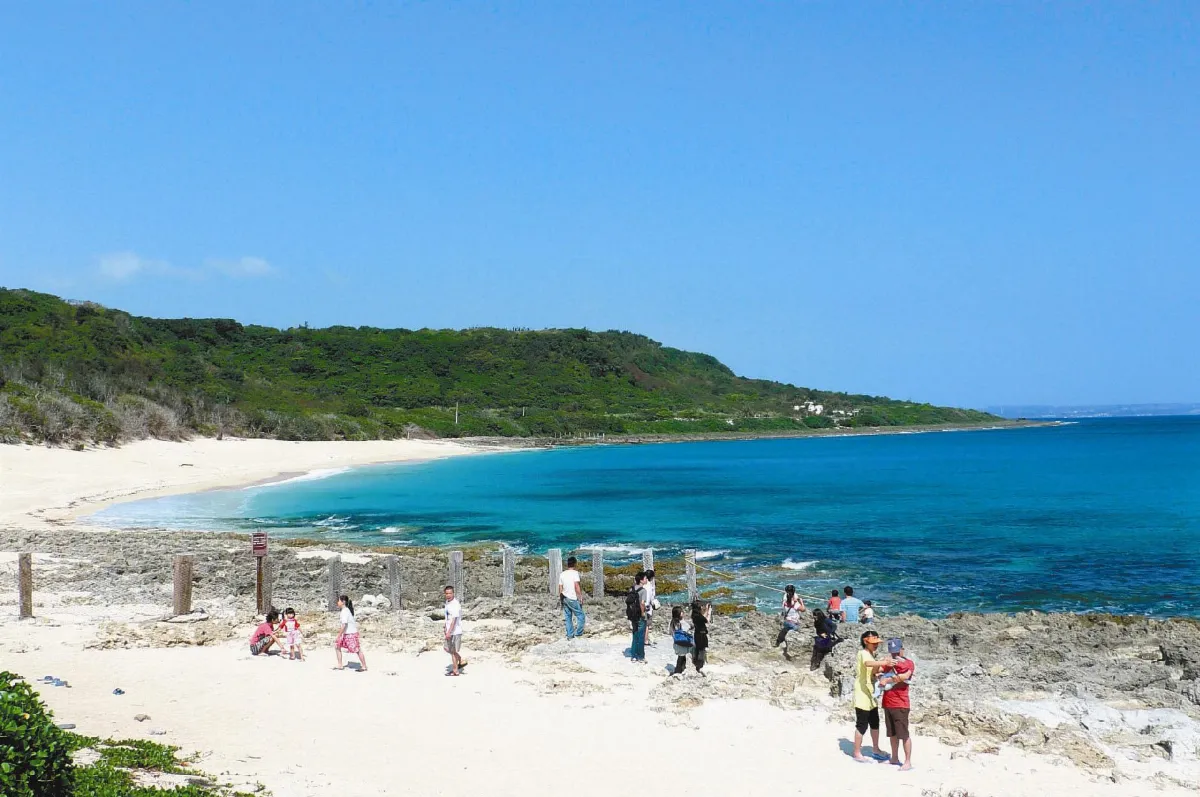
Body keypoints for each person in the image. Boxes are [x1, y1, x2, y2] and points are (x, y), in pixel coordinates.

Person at [851, 630, 890, 762]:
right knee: (861, 724)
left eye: (877, 642)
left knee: (875, 722)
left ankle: (876, 748)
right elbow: (867, 664)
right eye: (873, 643)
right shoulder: (862, 653)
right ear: (865, 642)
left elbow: (873, 670)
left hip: (871, 694)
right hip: (862, 694)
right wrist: (883, 663)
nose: (876, 645)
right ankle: (857, 752)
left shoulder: (871, 655)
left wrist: (882, 669)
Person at [880, 638, 915, 770]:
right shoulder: (888, 662)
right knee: (892, 733)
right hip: (888, 702)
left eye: (897, 652)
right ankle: (894, 758)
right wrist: (883, 663)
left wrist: (887, 679)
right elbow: (877, 672)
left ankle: (907, 762)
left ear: (902, 649)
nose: (895, 654)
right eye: (892, 652)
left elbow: (905, 676)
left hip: (901, 703)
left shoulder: (909, 663)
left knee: (903, 734)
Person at [334, 596, 367, 672]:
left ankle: (364, 666)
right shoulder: (345, 611)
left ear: (343, 602)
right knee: (337, 646)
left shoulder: (345, 611)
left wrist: (339, 635)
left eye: (339, 601)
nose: (337, 602)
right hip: (346, 633)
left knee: (357, 650)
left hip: (350, 634)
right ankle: (340, 665)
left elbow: (344, 625)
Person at [774, 585, 807, 657]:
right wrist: (801, 602)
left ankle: (781, 640)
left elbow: (787, 600)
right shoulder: (796, 605)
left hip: (786, 622)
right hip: (793, 624)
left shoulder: (784, 603)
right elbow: (803, 609)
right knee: (799, 629)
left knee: (786, 629)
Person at [558, 555, 585, 640]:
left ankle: (570, 635)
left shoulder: (562, 574)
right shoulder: (575, 573)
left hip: (564, 597)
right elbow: (576, 586)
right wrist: (580, 597)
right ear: (575, 564)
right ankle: (578, 633)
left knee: (568, 617)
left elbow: (560, 587)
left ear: (567, 564)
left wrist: (561, 598)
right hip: (572, 598)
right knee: (580, 615)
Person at [444, 585, 464, 676]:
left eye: (450, 593)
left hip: (455, 632)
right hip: (449, 631)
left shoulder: (455, 604)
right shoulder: (447, 603)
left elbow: (454, 620)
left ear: (453, 593)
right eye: (447, 593)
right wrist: (445, 627)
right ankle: (460, 659)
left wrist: (449, 632)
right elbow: (448, 617)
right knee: (447, 648)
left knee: (453, 651)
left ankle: (455, 671)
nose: (448, 595)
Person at [626, 572, 647, 663]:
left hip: (632, 615)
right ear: (641, 580)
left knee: (635, 635)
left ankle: (633, 656)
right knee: (641, 636)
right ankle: (641, 656)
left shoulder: (631, 588)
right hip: (639, 615)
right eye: (645, 578)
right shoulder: (643, 590)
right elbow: (642, 604)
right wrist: (643, 614)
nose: (646, 580)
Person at [669, 605, 695, 675]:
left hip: (676, 644)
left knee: (680, 657)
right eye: (682, 612)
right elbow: (689, 628)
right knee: (683, 657)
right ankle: (679, 671)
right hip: (683, 644)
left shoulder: (672, 623)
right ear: (680, 614)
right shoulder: (682, 623)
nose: (683, 613)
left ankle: (678, 670)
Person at [690, 600, 711, 676]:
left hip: (697, 634)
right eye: (701, 606)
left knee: (698, 649)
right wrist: (709, 612)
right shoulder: (698, 616)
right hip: (702, 635)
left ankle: (697, 664)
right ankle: (700, 666)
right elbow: (707, 620)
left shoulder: (694, 615)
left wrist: (706, 609)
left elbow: (703, 617)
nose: (702, 607)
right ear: (698, 607)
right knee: (702, 650)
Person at [643, 569, 658, 644]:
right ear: (651, 577)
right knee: (647, 625)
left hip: (640, 606)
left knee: (641, 624)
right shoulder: (650, 586)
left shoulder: (642, 585)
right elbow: (651, 598)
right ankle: (645, 640)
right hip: (647, 607)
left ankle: (642, 639)